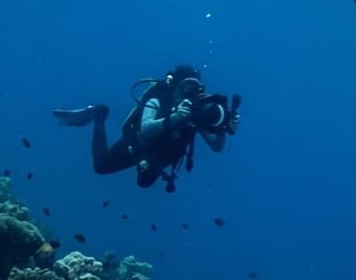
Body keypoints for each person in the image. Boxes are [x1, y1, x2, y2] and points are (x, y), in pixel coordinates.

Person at [54, 66, 240, 191]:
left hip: (161, 155)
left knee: (144, 183)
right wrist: (174, 118)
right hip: (138, 143)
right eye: (186, 85)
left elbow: (216, 147)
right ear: (176, 84)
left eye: (195, 87)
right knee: (101, 167)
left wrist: (223, 128)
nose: (190, 92)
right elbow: (145, 129)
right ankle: (99, 114)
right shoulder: (159, 96)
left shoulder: (195, 110)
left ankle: (146, 167)